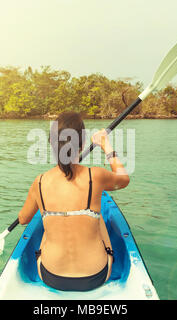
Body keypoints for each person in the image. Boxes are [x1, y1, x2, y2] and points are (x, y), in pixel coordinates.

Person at [18, 112, 130, 291]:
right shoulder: (96, 176)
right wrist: (105, 144)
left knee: (46, 218)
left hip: (50, 276)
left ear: (52, 145)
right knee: (97, 214)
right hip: (96, 276)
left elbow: (23, 219)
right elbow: (123, 179)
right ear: (83, 143)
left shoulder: (39, 182)